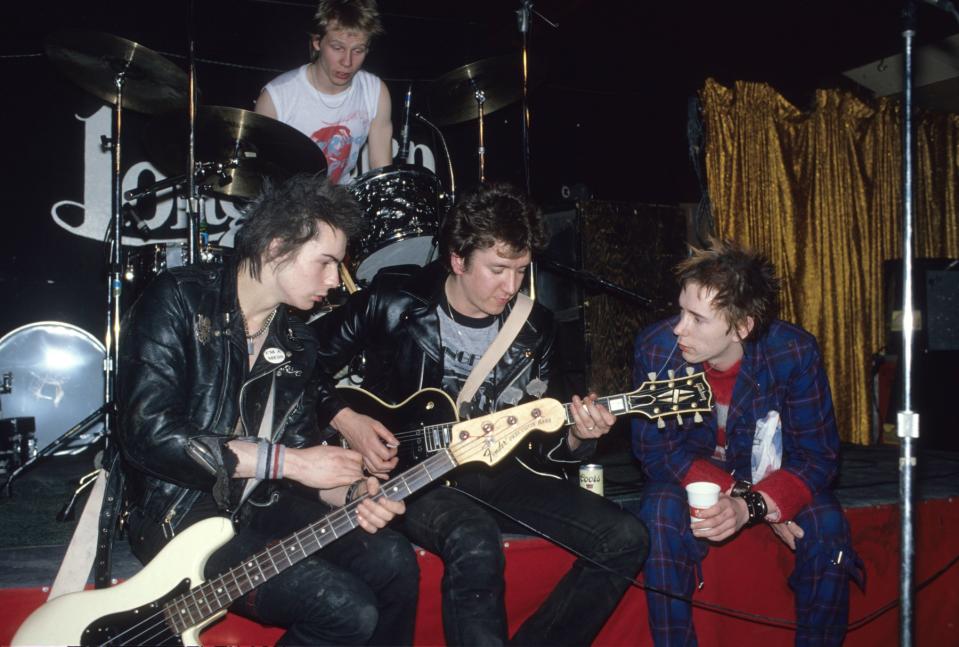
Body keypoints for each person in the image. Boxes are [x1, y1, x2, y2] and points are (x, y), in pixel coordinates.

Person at [311, 182, 649, 646]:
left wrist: (579, 438)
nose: (511, 287)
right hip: (407, 469)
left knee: (627, 536)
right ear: (457, 260)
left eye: (521, 270)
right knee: (474, 538)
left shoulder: (537, 327)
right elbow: (297, 366)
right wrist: (345, 418)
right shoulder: (394, 300)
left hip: (493, 470)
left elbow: (544, 438)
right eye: (497, 270)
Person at [116, 174, 418, 645]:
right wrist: (288, 461)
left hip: (257, 502)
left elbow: (298, 460)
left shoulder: (297, 341)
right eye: (325, 263)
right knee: (345, 609)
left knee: (394, 560)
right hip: (175, 513)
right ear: (277, 247)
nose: (334, 283)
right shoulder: (177, 297)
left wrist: (354, 493)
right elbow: (147, 435)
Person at [629, 239, 865, 646]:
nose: (678, 328)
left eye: (697, 319)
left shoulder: (793, 352)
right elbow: (656, 452)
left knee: (827, 530)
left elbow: (820, 456)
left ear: (742, 327)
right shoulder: (657, 350)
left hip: (773, 474)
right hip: (692, 473)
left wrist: (756, 505)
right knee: (659, 514)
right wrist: (746, 500)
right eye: (681, 310)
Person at [255, 0, 392, 185]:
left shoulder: (376, 92)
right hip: (288, 204)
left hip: (341, 203)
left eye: (358, 50)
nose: (347, 61)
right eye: (337, 48)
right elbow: (264, 182)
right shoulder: (276, 98)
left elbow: (381, 177)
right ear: (317, 41)